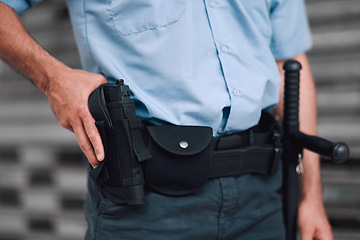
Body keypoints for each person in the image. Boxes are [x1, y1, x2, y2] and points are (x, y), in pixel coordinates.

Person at [0, 0, 333, 239]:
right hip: (148, 206)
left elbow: (290, 64)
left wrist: (311, 198)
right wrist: (52, 79)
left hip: (262, 199)